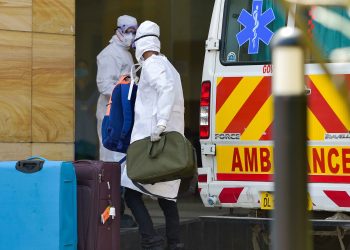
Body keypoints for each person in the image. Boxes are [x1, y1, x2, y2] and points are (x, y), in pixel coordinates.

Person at [121, 20, 185, 250]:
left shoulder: (152, 65)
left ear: (140, 44)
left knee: (131, 193)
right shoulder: (169, 66)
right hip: (168, 143)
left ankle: (151, 240)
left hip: (152, 142)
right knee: (167, 197)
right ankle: (175, 242)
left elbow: (165, 89)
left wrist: (160, 123)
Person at [96, 15, 138, 227]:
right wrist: (125, 92)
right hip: (112, 118)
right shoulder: (109, 55)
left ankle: (117, 214)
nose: (131, 34)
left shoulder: (125, 55)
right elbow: (105, 86)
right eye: (127, 30)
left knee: (120, 168)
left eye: (134, 31)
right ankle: (108, 216)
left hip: (122, 118)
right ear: (118, 30)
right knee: (111, 168)